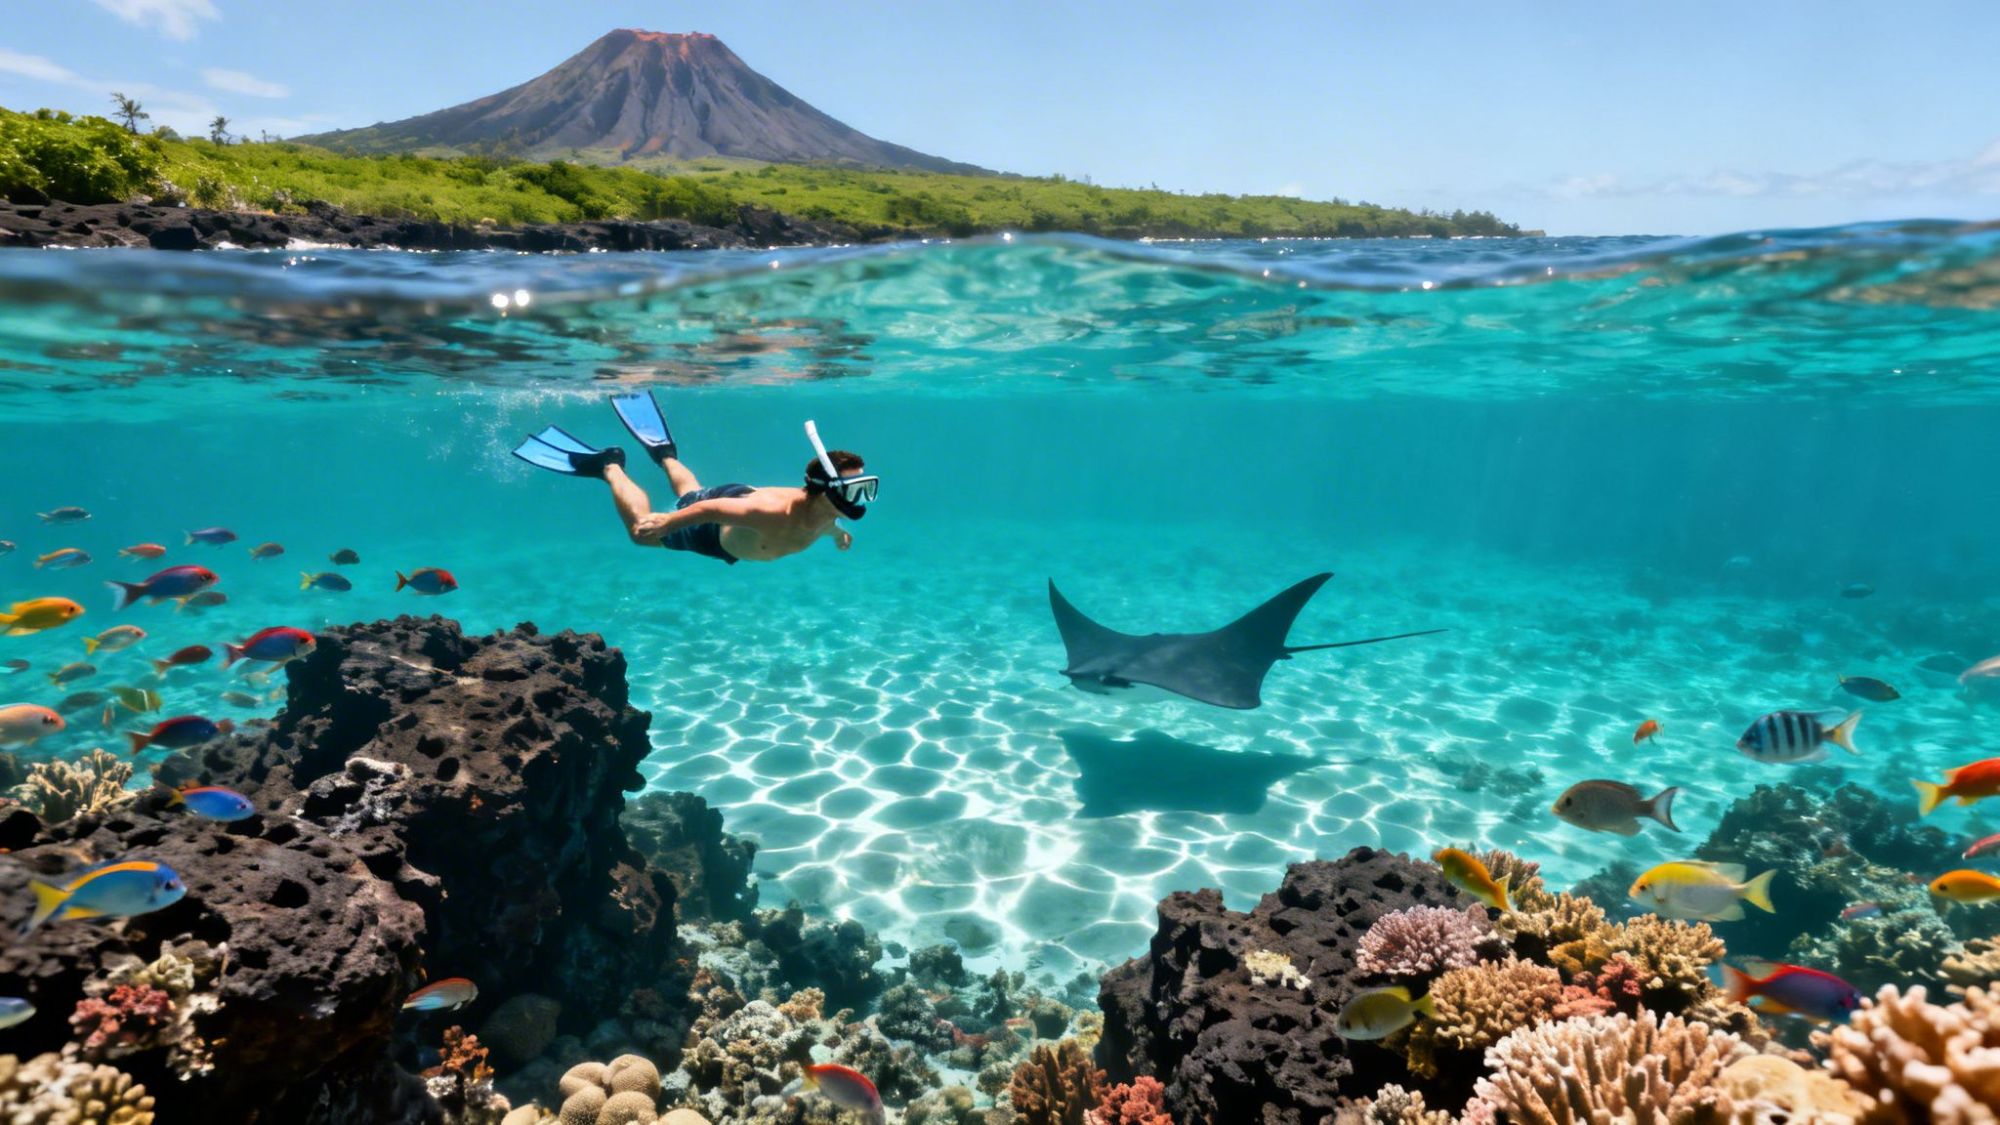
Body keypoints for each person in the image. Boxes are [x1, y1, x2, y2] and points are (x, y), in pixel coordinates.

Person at [512, 391, 877, 565]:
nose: (861, 497)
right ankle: (610, 466)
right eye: (855, 488)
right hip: (713, 529)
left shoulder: (825, 511)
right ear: (826, 490)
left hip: (734, 506)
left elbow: (824, 524)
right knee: (642, 534)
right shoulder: (772, 512)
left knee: (691, 492)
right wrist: (667, 523)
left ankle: (665, 454)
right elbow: (710, 510)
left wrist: (838, 535)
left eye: (864, 487)